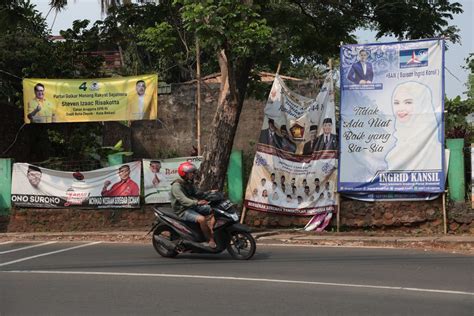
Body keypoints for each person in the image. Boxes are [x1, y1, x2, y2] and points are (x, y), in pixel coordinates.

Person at [385, 82, 442, 171]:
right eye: (396, 103)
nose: (401, 108)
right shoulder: (397, 145)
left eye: (408, 102)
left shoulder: (433, 150)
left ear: (421, 105)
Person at [170, 161, 216, 248]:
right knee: (202, 219)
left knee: (215, 209)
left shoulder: (188, 182)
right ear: (184, 174)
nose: (193, 174)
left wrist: (210, 193)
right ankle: (209, 239)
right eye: (191, 173)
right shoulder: (176, 186)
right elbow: (183, 200)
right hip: (182, 210)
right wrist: (197, 202)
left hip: (192, 206)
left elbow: (197, 193)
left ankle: (211, 230)